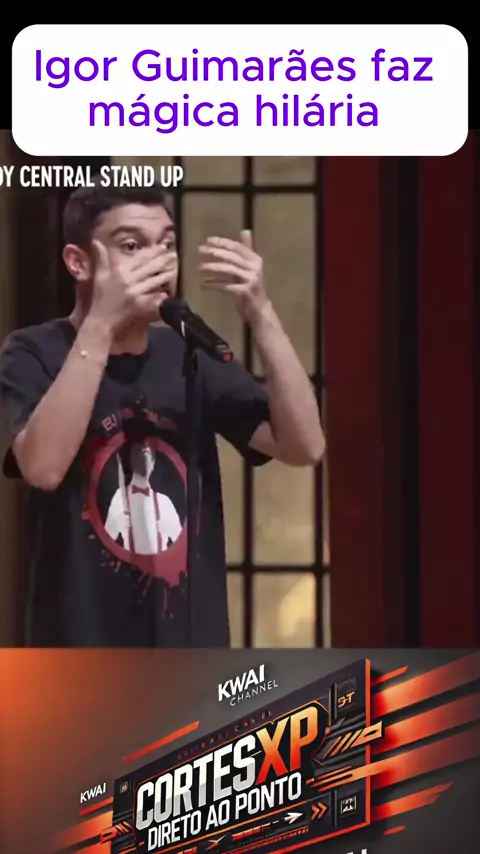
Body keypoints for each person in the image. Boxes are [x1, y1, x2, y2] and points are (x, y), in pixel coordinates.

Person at [0, 178, 325, 647]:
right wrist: (101, 325)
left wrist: (260, 312)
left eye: (167, 245)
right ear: (78, 262)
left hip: (189, 651)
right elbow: (43, 468)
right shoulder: (33, 352)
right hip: (79, 652)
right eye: (132, 246)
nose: (158, 262)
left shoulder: (188, 353)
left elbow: (305, 446)